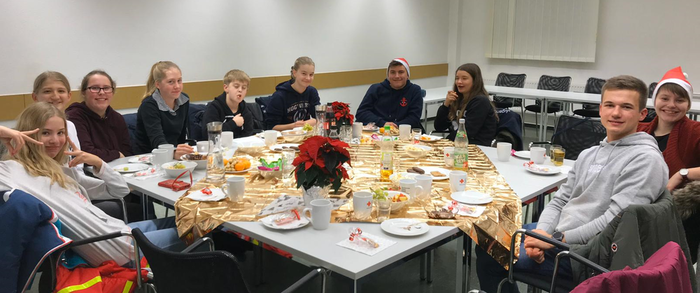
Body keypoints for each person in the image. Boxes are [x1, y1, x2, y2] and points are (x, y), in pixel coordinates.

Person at [476, 75, 668, 293]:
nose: (616, 113)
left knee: (491, 255)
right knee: (488, 238)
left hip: (587, 256)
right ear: (600, 109)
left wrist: (554, 240)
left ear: (642, 114)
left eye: (626, 107)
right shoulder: (589, 154)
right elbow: (560, 201)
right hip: (560, 238)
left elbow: (615, 222)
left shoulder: (645, 160)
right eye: (610, 105)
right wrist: (540, 235)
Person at [0, 102, 182, 267]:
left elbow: (119, 190)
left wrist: (98, 163)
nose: (55, 141)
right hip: (120, 250)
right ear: (25, 134)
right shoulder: (13, 171)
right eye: (45, 133)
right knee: (203, 230)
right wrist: (5, 132)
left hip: (121, 233)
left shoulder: (62, 173)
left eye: (60, 133)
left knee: (184, 221)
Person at [637, 67, 700, 191]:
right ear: (655, 101)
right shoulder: (638, 131)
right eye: (665, 99)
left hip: (678, 205)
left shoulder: (696, 132)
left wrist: (682, 174)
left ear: (688, 105)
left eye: (679, 100)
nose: (671, 105)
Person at [66, 70, 133, 162]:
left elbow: (127, 153)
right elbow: (85, 153)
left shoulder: (117, 118)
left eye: (106, 88)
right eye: (95, 88)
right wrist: (116, 154)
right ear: (83, 92)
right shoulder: (74, 117)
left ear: (112, 92)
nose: (101, 92)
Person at [133, 61, 194, 158]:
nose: (177, 86)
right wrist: (173, 152)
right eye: (171, 82)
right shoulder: (149, 106)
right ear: (158, 84)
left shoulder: (184, 100)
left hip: (172, 155)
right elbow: (157, 140)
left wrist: (182, 151)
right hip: (149, 157)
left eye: (179, 80)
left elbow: (182, 135)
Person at [433, 63, 498, 144]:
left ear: (475, 81)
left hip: (476, 147)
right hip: (458, 145)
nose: (459, 82)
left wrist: (446, 141)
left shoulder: (480, 101)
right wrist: (446, 104)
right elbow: (439, 127)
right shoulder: (457, 99)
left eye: (464, 78)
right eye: (457, 78)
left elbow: (467, 132)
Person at [355, 58, 423, 129]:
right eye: (393, 72)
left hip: (404, 132)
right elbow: (361, 113)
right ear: (388, 75)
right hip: (378, 132)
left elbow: (414, 118)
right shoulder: (376, 89)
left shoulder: (414, 90)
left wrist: (395, 126)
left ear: (407, 75)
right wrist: (383, 123)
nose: (397, 76)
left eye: (401, 72)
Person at [265, 56, 320, 131]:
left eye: (311, 74)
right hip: (283, 138)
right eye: (304, 74)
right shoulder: (279, 96)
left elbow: (318, 117)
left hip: (304, 135)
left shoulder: (312, 92)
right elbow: (271, 127)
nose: (308, 78)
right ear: (294, 73)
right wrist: (293, 126)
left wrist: (306, 123)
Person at [31, 71, 81, 151]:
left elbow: (77, 157)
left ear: (69, 96)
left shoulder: (70, 126)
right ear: (35, 97)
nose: (55, 96)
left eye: (61, 91)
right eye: (47, 91)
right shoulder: (29, 126)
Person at [201, 69, 256, 138]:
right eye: (236, 86)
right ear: (226, 88)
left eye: (244, 88)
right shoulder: (214, 107)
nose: (240, 90)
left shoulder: (245, 108)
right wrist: (233, 123)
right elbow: (207, 134)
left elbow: (248, 133)